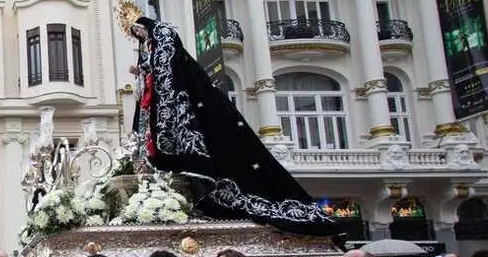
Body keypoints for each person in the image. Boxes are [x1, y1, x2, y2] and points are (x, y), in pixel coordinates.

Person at [124, 12, 338, 237]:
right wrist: (143, 71)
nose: (138, 37)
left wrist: (149, 67)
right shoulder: (149, 48)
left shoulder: (165, 40)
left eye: (139, 31)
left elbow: (167, 72)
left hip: (182, 116)